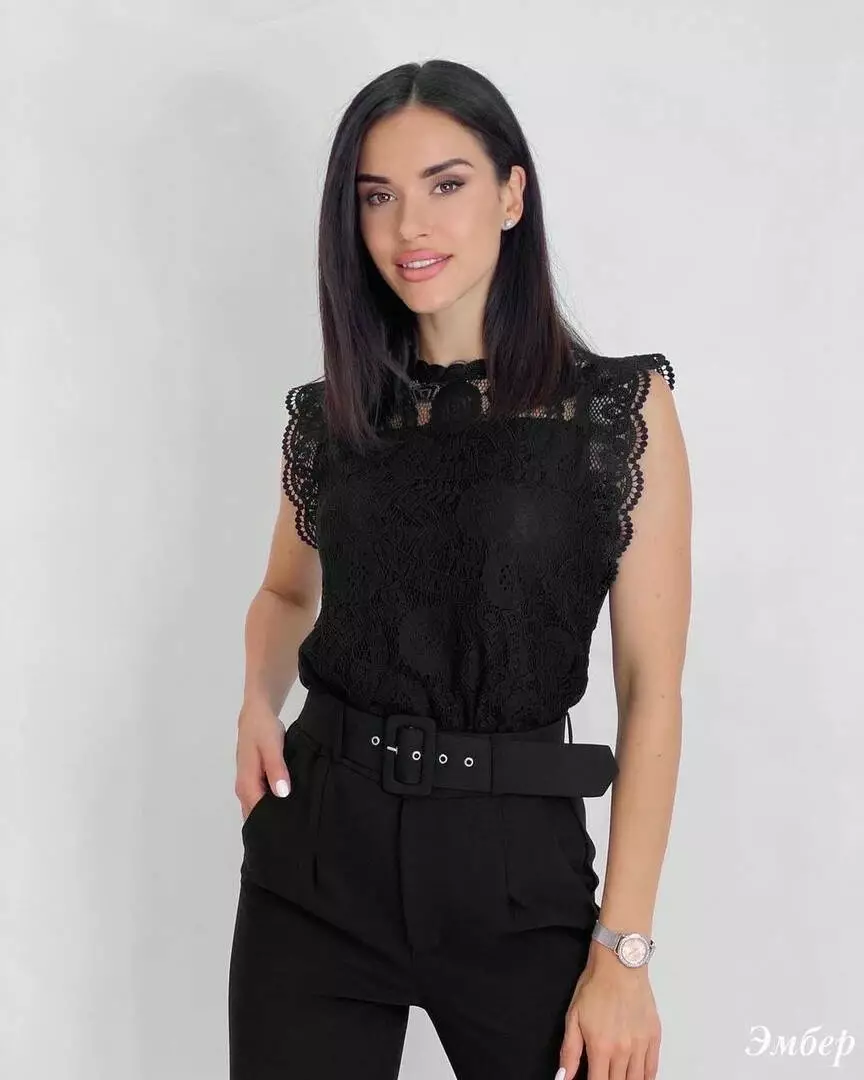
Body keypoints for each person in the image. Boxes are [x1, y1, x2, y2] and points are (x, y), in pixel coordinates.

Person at [228, 58, 691, 1080]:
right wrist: (259, 697)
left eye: (445, 184)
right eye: (377, 197)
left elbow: (651, 690)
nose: (410, 227)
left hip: (517, 870)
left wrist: (624, 953)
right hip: (317, 861)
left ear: (512, 194)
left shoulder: (615, 412)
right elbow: (286, 591)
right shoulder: (335, 415)